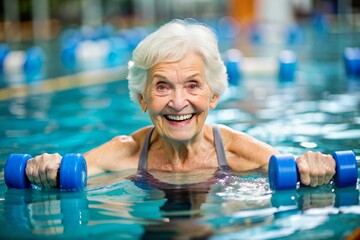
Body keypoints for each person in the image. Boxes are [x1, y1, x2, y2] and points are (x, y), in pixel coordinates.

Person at [25, 19, 336, 189]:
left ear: (213, 95)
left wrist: (316, 168)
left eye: (192, 85)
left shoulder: (240, 151)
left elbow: (297, 168)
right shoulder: (126, 152)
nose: (177, 102)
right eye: (162, 86)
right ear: (142, 99)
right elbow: (65, 170)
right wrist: (43, 168)